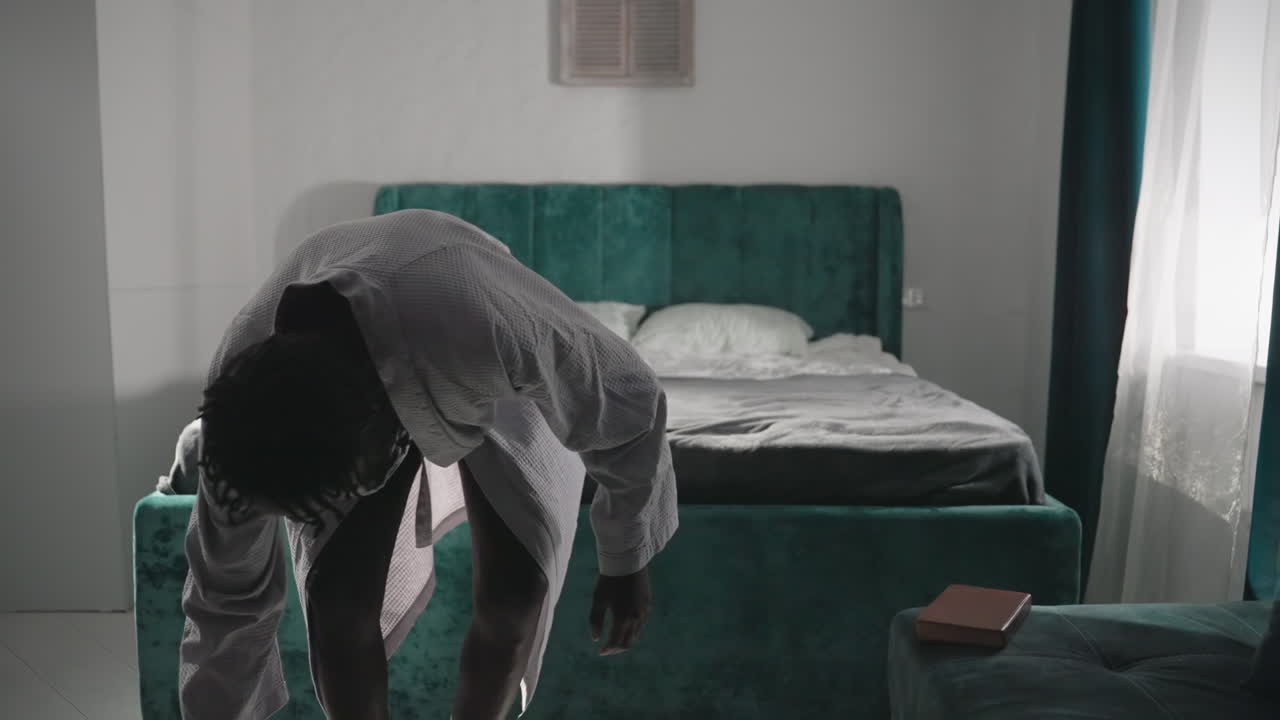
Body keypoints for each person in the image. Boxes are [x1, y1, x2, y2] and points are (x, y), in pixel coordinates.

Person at [178, 209, 679, 720]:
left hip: (467, 345)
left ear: (381, 422)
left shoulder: (488, 326)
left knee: (514, 597)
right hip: (360, 371)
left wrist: (626, 559)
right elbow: (225, 599)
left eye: (359, 480)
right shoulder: (239, 425)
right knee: (338, 604)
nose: (358, 495)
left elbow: (628, 394)